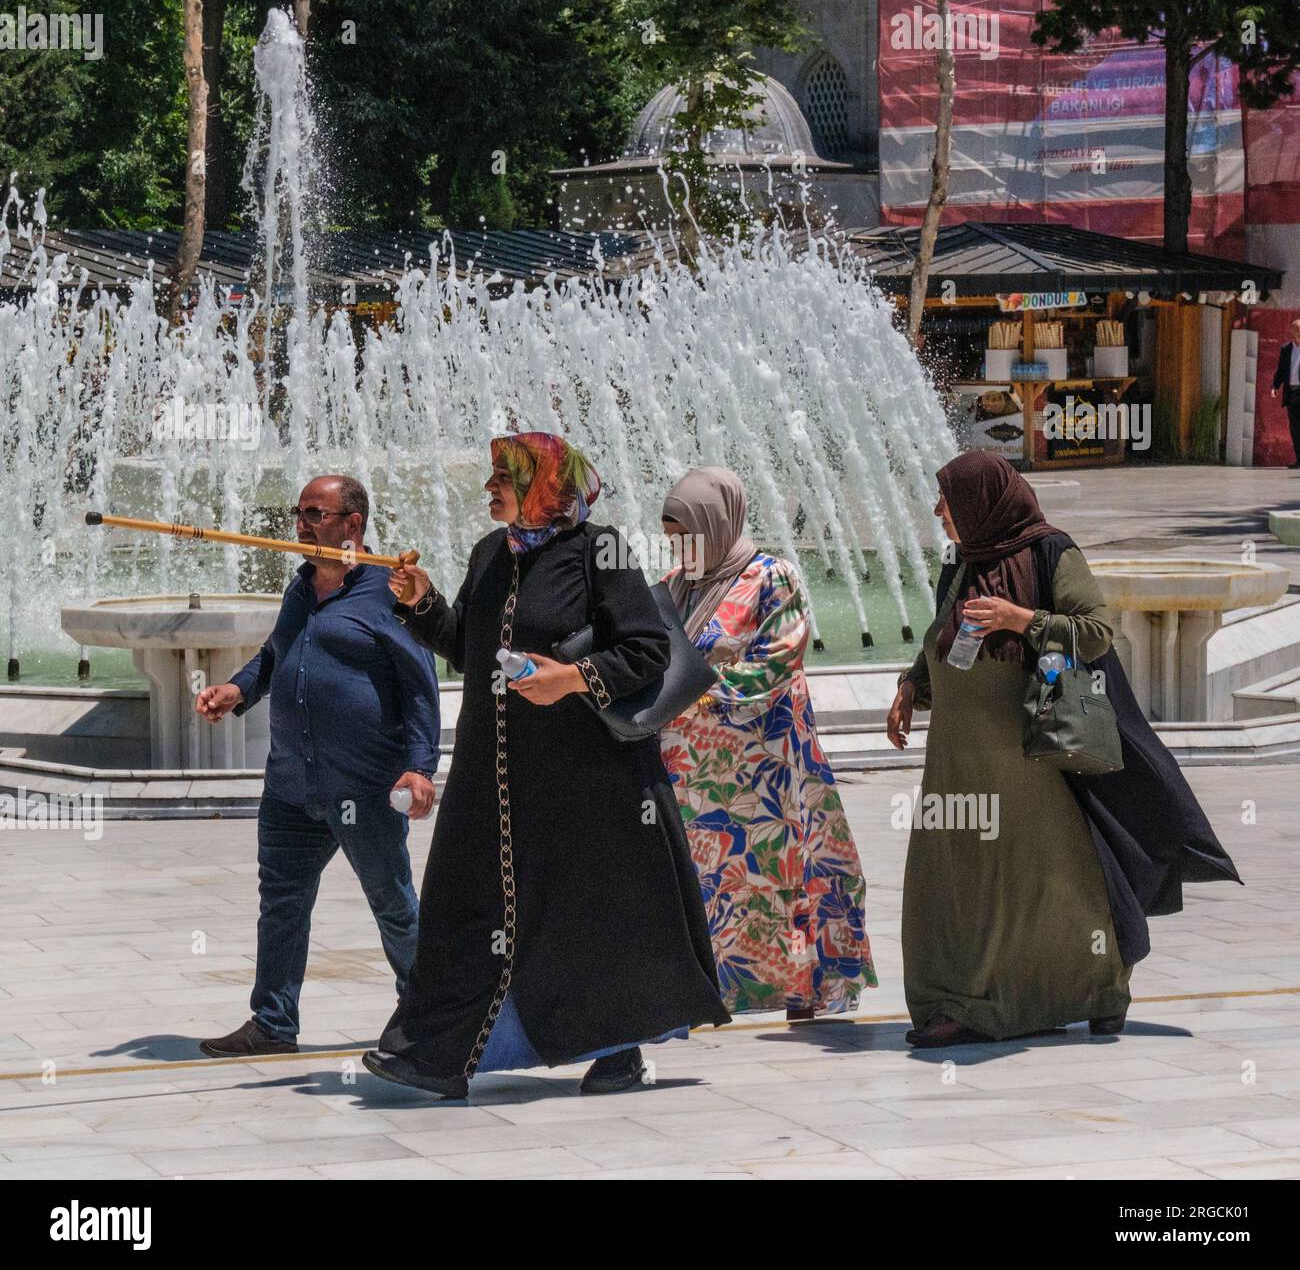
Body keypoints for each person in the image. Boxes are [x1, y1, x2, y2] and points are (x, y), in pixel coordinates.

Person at [362, 433, 729, 1099]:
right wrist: (422, 604)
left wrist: (574, 677)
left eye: (504, 476)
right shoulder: (490, 555)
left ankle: (616, 1052)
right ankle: (433, 1056)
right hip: (491, 780)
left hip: (583, 782)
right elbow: (467, 650)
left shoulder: (601, 549)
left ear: (548, 484)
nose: (489, 488)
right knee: (463, 910)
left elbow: (647, 649)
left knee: (587, 918)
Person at [887, 450, 1240, 1049]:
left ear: (982, 503)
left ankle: (1095, 989)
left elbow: (1097, 631)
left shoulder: (1051, 551)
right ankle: (958, 999)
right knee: (954, 877)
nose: (939, 511)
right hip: (956, 755)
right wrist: (909, 685)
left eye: (948, 499)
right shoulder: (962, 561)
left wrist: (1019, 618)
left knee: (1046, 877)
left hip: (1028, 751)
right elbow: (941, 634)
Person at [194, 475, 440, 1057]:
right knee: (281, 902)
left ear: (352, 524)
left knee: (393, 902)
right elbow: (279, 653)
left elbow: (422, 686)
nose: (301, 524)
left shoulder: (389, 592)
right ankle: (273, 1023)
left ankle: (430, 1018)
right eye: (298, 513)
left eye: (315, 513)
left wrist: (421, 766)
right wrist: (238, 689)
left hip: (362, 785)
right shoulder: (301, 588)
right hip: (290, 784)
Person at [658, 467, 875, 1021]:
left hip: (769, 766)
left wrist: (703, 693)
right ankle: (716, 991)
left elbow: (779, 656)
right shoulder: (678, 584)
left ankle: (800, 987)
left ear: (717, 522)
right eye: (670, 534)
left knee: (781, 874)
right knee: (716, 881)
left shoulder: (770, 577)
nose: (678, 546)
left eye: (686, 533)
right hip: (700, 773)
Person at [1270, 316, 1300, 468]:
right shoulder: (1286, 349)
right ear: (1292, 332)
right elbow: (1281, 371)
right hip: (1292, 392)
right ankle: (1299, 459)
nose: (1299, 333)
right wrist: (1275, 386)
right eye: (1296, 330)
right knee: (1295, 428)